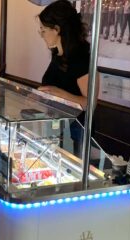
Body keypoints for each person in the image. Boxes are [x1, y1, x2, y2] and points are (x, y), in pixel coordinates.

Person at [37, 0, 97, 156]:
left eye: (43, 30)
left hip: (77, 132)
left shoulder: (82, 57)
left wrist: (58, 93)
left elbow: (89, 104)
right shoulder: (58, 54)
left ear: (57, 29)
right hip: (57, 127)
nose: (41, 35)